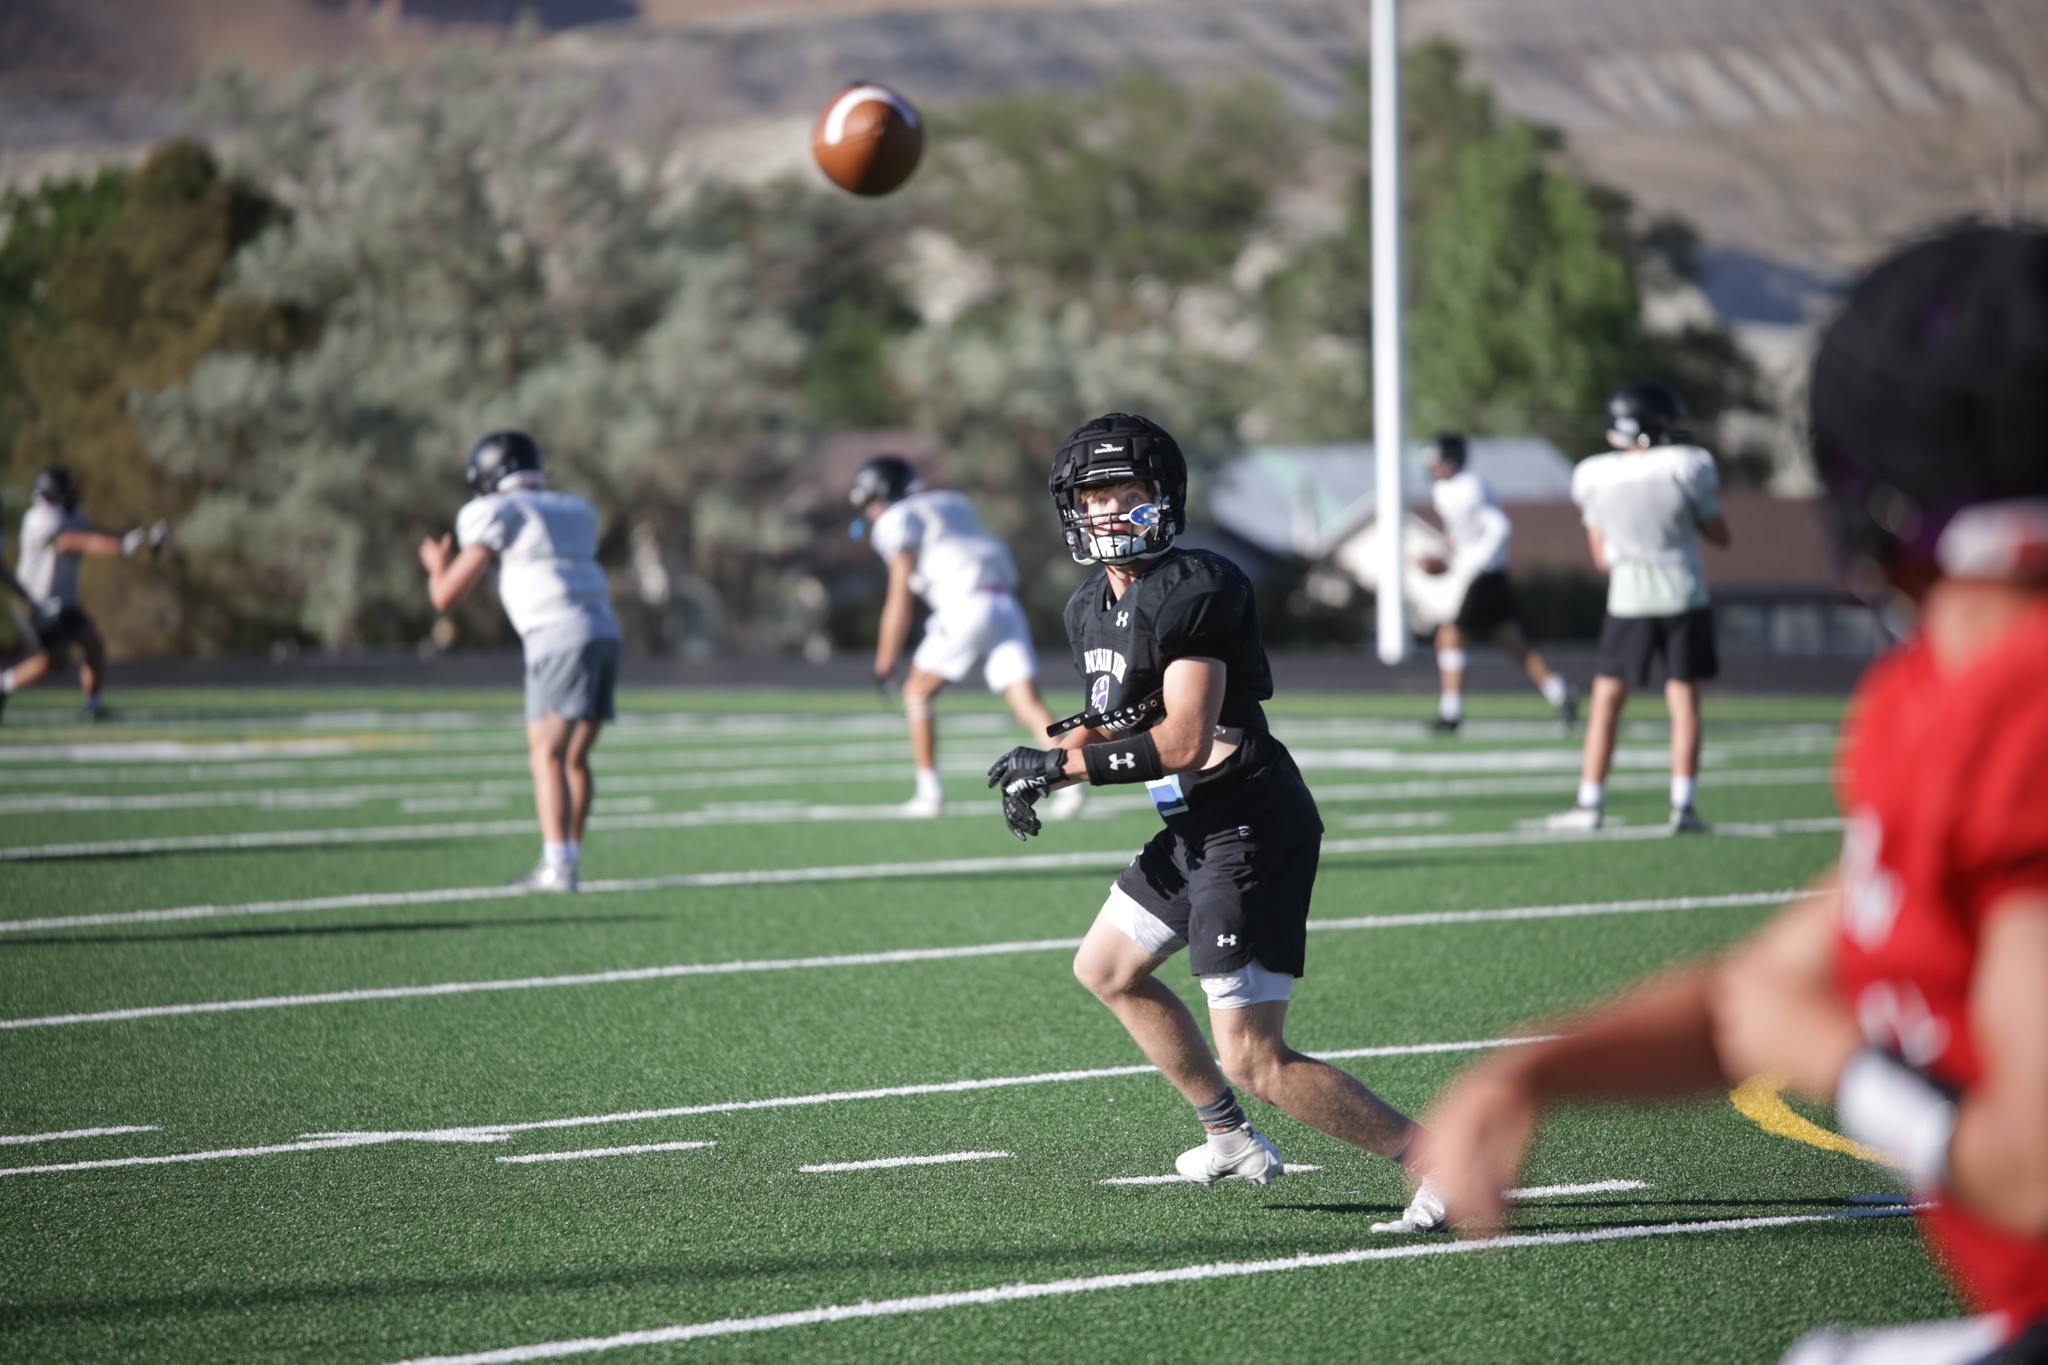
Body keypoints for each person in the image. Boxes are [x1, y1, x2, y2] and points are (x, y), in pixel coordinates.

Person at [1416, 224, 2048, 1364]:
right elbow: (1751, 997)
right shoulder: (1935, 692)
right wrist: (1538, 1068)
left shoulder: (2010, 706)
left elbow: (2030, 1170)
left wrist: (1843, 1072)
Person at [987, 412, 1445, 1230]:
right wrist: (1050, 755)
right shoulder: (1090, 605)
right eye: (1090, 495)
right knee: (1107, 969)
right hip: (1193, 828)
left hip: (1250, 825)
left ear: (1162, 498)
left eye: (1122, 491)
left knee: (1256, 1057)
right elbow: (1113, 712)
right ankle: (1229, 1137)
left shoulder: (1199, 585)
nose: (1103, 509)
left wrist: (1066, 765)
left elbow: (1182, 737)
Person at [420, 431, 622, 893]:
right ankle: (567, 859)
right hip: (605, 630)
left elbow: (445, 595)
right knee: (575, 757)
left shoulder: (494, 512)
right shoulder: (574, 508)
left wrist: (436, 565)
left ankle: (557, 867)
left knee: (546, 754)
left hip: (556, 634)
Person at [850, 454, 1081, 819]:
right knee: (1027, 703)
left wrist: (885, 660)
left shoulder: (897, 519)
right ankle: (1072, 783)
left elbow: (899, 595)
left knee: (915, 692)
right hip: (1005, 602)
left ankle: (929, 794)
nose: (870, 512)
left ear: (880, 495)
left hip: (965, 604)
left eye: (870, 503)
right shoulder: (950, 501)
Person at [1545, 383, 1730, 833]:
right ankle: (1683, 806)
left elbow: (1600, 556)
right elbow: (1721, 535)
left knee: (1607, 702)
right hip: (1684, 593)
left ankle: (1590, 803)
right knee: (1683, 701)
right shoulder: (1685, 469)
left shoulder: (1595, 477)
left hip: (1628, 598)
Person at [1417, 432, 1577, 734]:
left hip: (1485, 575)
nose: (1432, 467)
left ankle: (1451, 715)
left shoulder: (1470, 486)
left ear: (1450, 459)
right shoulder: (1446, 490)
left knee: (1449, 636)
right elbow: (1461, 535)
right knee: (1513, 642)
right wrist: (1440, 553)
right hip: (1487, 574)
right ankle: (1561, 692)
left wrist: (1467, 565)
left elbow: (1500, 527)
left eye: (1435, 460)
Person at [0, 467, 169, 723]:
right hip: (37, 602)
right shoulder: (39, 519)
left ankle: (93, 704)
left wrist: (141, 538)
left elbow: (97, 532)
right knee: (57, 659)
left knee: (92, 643)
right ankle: (4, 684)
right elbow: (73, 541)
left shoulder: (73, 516)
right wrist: (120, 547)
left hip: (65, 603)